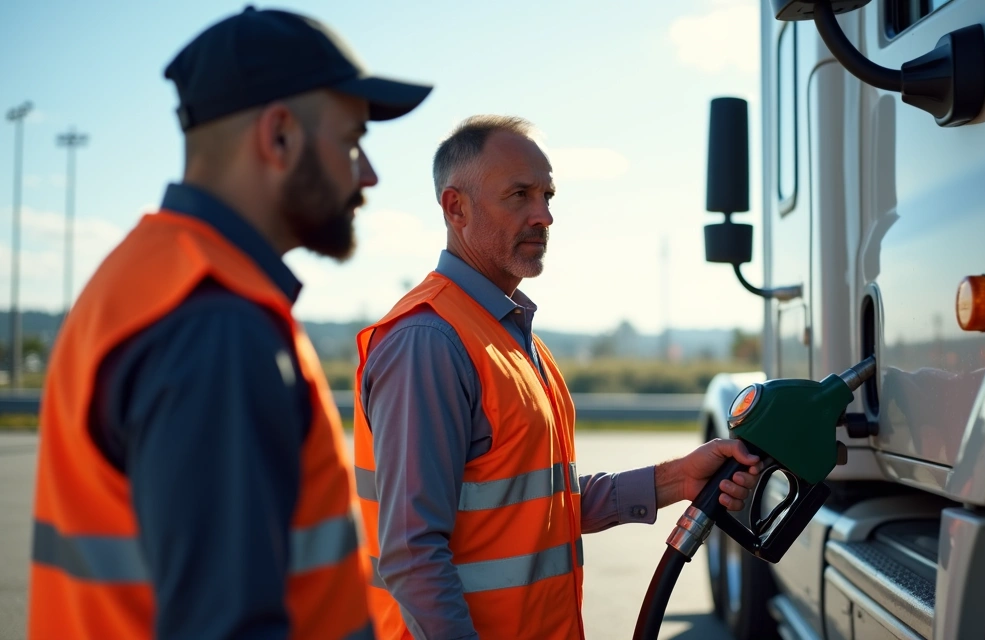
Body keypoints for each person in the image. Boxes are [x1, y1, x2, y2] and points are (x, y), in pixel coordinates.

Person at [26, 6, 431, 639]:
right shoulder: (216, 326)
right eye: (352, 141)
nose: (368, 173)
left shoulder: (145, 277)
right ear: (278, 137)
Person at [352, 115, 763, 640]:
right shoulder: (429, 341)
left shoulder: (510, 336)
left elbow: (542, 504)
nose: (543, 215)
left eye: (547, 195)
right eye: (519, 195)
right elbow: (412, 553)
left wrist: (675, 479)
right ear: (456, 208)